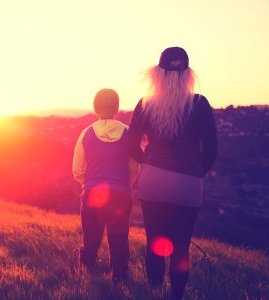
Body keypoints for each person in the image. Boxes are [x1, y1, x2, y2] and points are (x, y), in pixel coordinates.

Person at [127, 47, 218, 299]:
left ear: (157, 73)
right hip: (189, 181)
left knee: (155, 242)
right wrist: (198, 171)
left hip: (153, 179)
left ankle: (155, 293)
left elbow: (131, 143)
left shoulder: (145, 104)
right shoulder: (199, 104)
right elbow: (210, 147)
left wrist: (147, 162)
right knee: (181, 247)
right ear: (188, 74)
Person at [72, 88, 138, 284]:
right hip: (121, 194)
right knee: (118, 238)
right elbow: (135, 167)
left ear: (95, 107)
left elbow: (77, 169)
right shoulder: (128, 133)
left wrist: (88, 183)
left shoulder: (86, 133)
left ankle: (85, 273)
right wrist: (126, 185)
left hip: (92, 193)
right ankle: (119, 278)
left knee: (91, 237)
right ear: (117, 108)